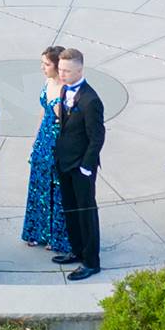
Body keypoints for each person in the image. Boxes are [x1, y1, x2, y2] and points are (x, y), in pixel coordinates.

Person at [52, 48, 106, 281]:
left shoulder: (91, 100)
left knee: (86, 212)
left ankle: (91, 261)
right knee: (70, 209)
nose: (62, 74)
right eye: (61, 69)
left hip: (81, 166)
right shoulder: (65, 90)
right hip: (64, 162)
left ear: (80, 70)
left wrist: (86, 167)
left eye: (67, 71)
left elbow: (97, 136)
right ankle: (76, 250)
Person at [20, 45, 71, 253]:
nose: (43, 67)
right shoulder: (48, 82)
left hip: (58, 142)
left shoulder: (66, 89)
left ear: (58, 66)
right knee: (39, 185)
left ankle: (54, 235)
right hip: (43, 139)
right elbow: (43, 112)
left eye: (46, 64)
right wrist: (36, 138)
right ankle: (37, 232)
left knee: (55, 187)